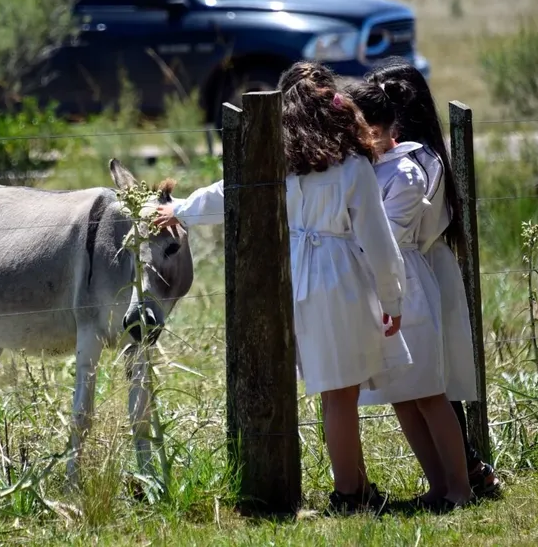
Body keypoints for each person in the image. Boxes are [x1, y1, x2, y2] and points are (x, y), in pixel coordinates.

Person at [155, 61, 412, 515]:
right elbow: (379, 242)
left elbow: (224, 191)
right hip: (338, 278)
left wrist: (180, 208)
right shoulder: (352, 167)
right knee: (340, 394)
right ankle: (350, 494)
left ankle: (355, 485)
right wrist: (392, 298)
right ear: (336, 109)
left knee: (325, 390)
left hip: (288, 278)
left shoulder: (276, 164)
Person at [365, 57, 502, 499]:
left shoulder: (415, 164)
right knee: (410, 389)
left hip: (419, 274)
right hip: (409, 271)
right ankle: (446, 480)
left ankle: (460, 479)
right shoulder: (406, 160)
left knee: (431, 387)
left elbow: (396, 232)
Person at [346, 79, 474, 511]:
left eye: (364, 129)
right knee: (402, 395)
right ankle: (437, 485)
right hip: (376, 285)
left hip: (406, 284)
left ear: (383, 128)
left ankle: (460, 487)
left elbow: (387, 235)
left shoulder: (404, 171)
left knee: (429, 393)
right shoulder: (364, 167)